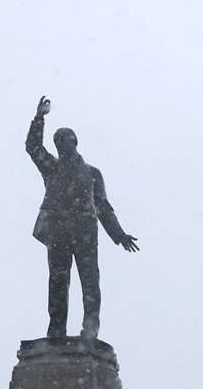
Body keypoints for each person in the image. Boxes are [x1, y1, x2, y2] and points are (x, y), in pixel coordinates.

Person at [25, 96, 138, 340]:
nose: (59, 145)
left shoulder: (92, 174)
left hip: (84, 232)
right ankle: (56, 329)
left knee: (89, 280)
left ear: (74, 142)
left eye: (62, 140)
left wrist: (119, 235)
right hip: (58, 232)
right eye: (56, 142)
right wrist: (39, 118)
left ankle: (90, 328)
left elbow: (103, 207)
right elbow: (33, 148)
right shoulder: (52, 167)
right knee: (57, 281)